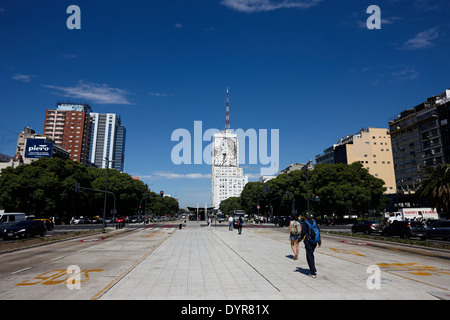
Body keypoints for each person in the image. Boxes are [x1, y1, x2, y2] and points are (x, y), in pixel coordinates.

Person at [298, 212, 321, 278]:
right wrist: (319, 241)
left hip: (308, 241)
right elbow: (318, 231)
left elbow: (303, 233)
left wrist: (298, 240)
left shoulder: (305, 222)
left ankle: (313, 273)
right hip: (314, 241)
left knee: (309, 256)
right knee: (311, 254)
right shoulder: (314, 222)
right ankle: (313, 268)